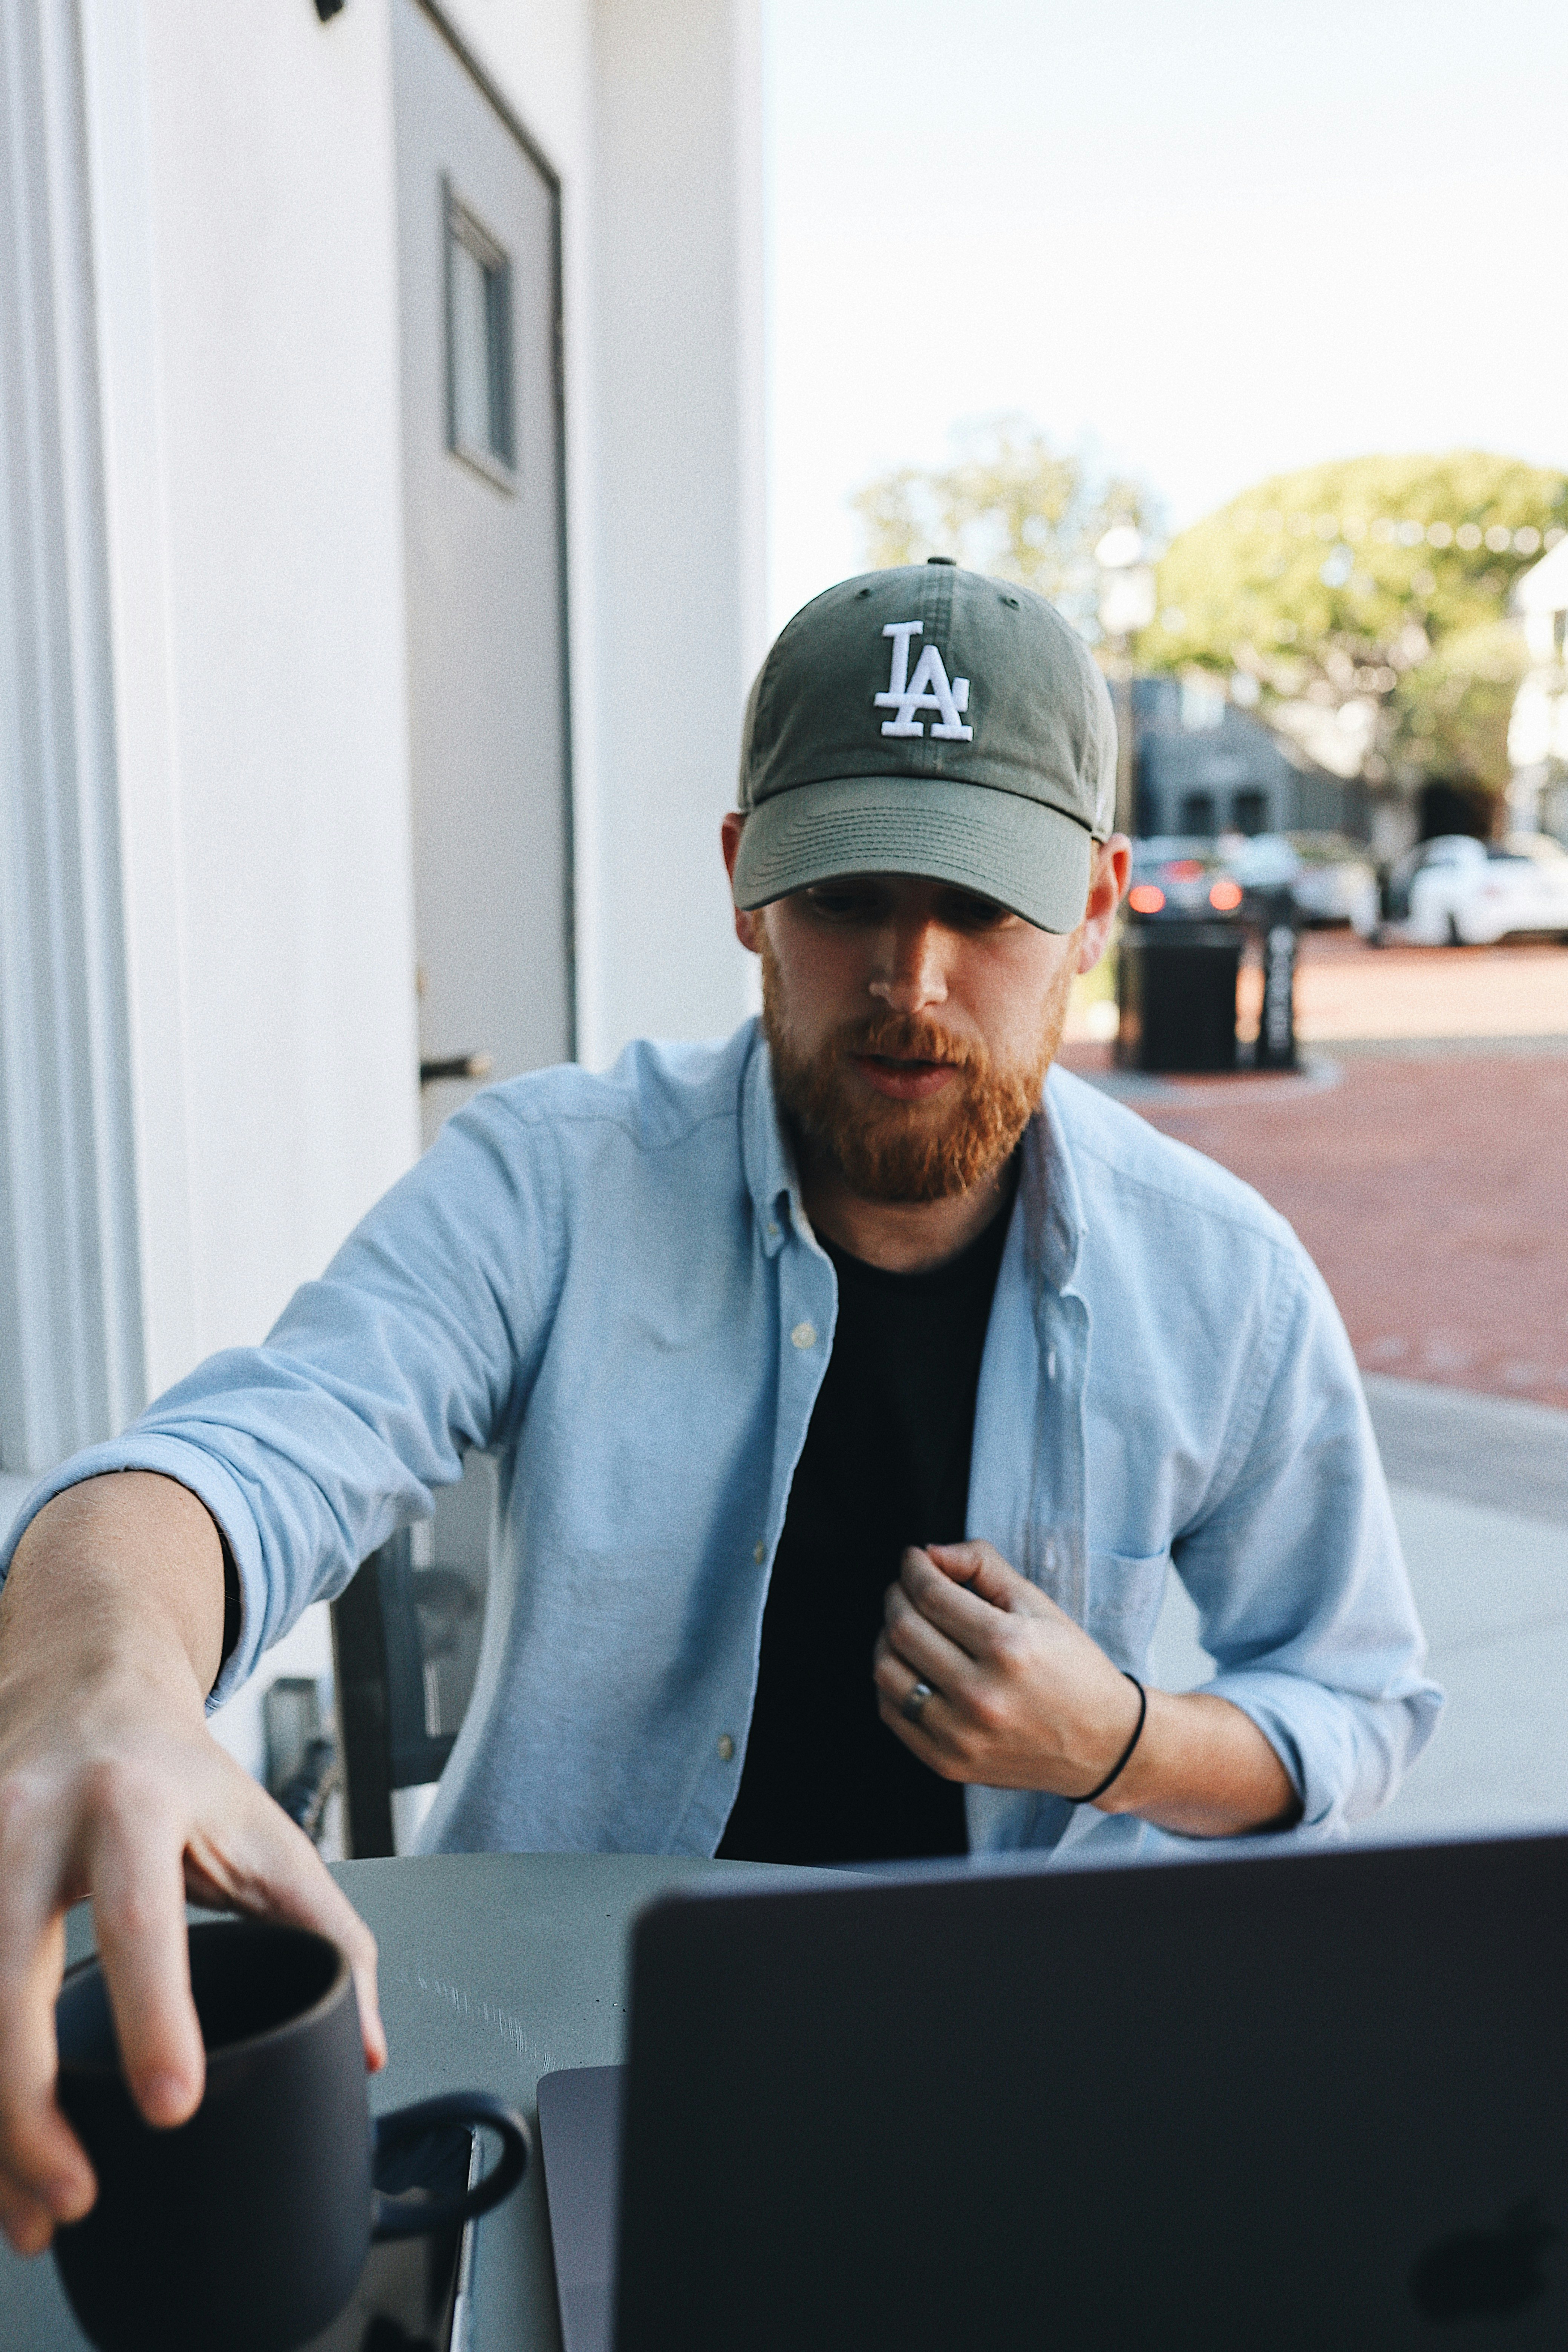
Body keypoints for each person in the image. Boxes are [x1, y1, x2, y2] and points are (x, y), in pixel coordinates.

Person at [0, 562, 1440, 2255]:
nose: (912, 978)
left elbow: (1353, 1702)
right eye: (848, 896)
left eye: (982, 911)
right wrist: (97, 1682)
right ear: (745, 882)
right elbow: (253, 1452)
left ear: (1098, 904)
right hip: (568, 2051)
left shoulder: (1222, 1280)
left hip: (1012, 2067)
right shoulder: (554, 1181)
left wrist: (1117, 1742)